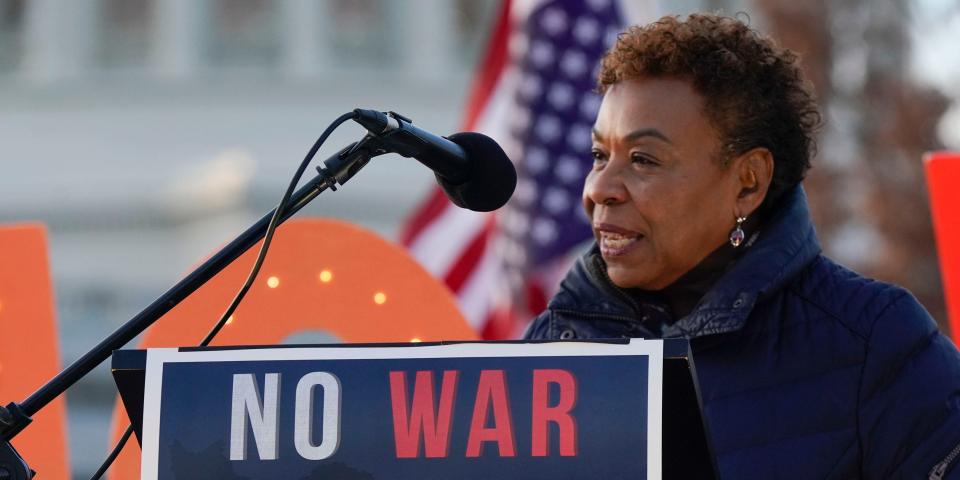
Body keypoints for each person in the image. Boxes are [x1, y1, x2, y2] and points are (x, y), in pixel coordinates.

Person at [524, 13, 960, 479]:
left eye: (643, 159)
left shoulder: (877, 343)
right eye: (598, 155)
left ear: (748, 183)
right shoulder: (548, 346)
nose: (599, 188)